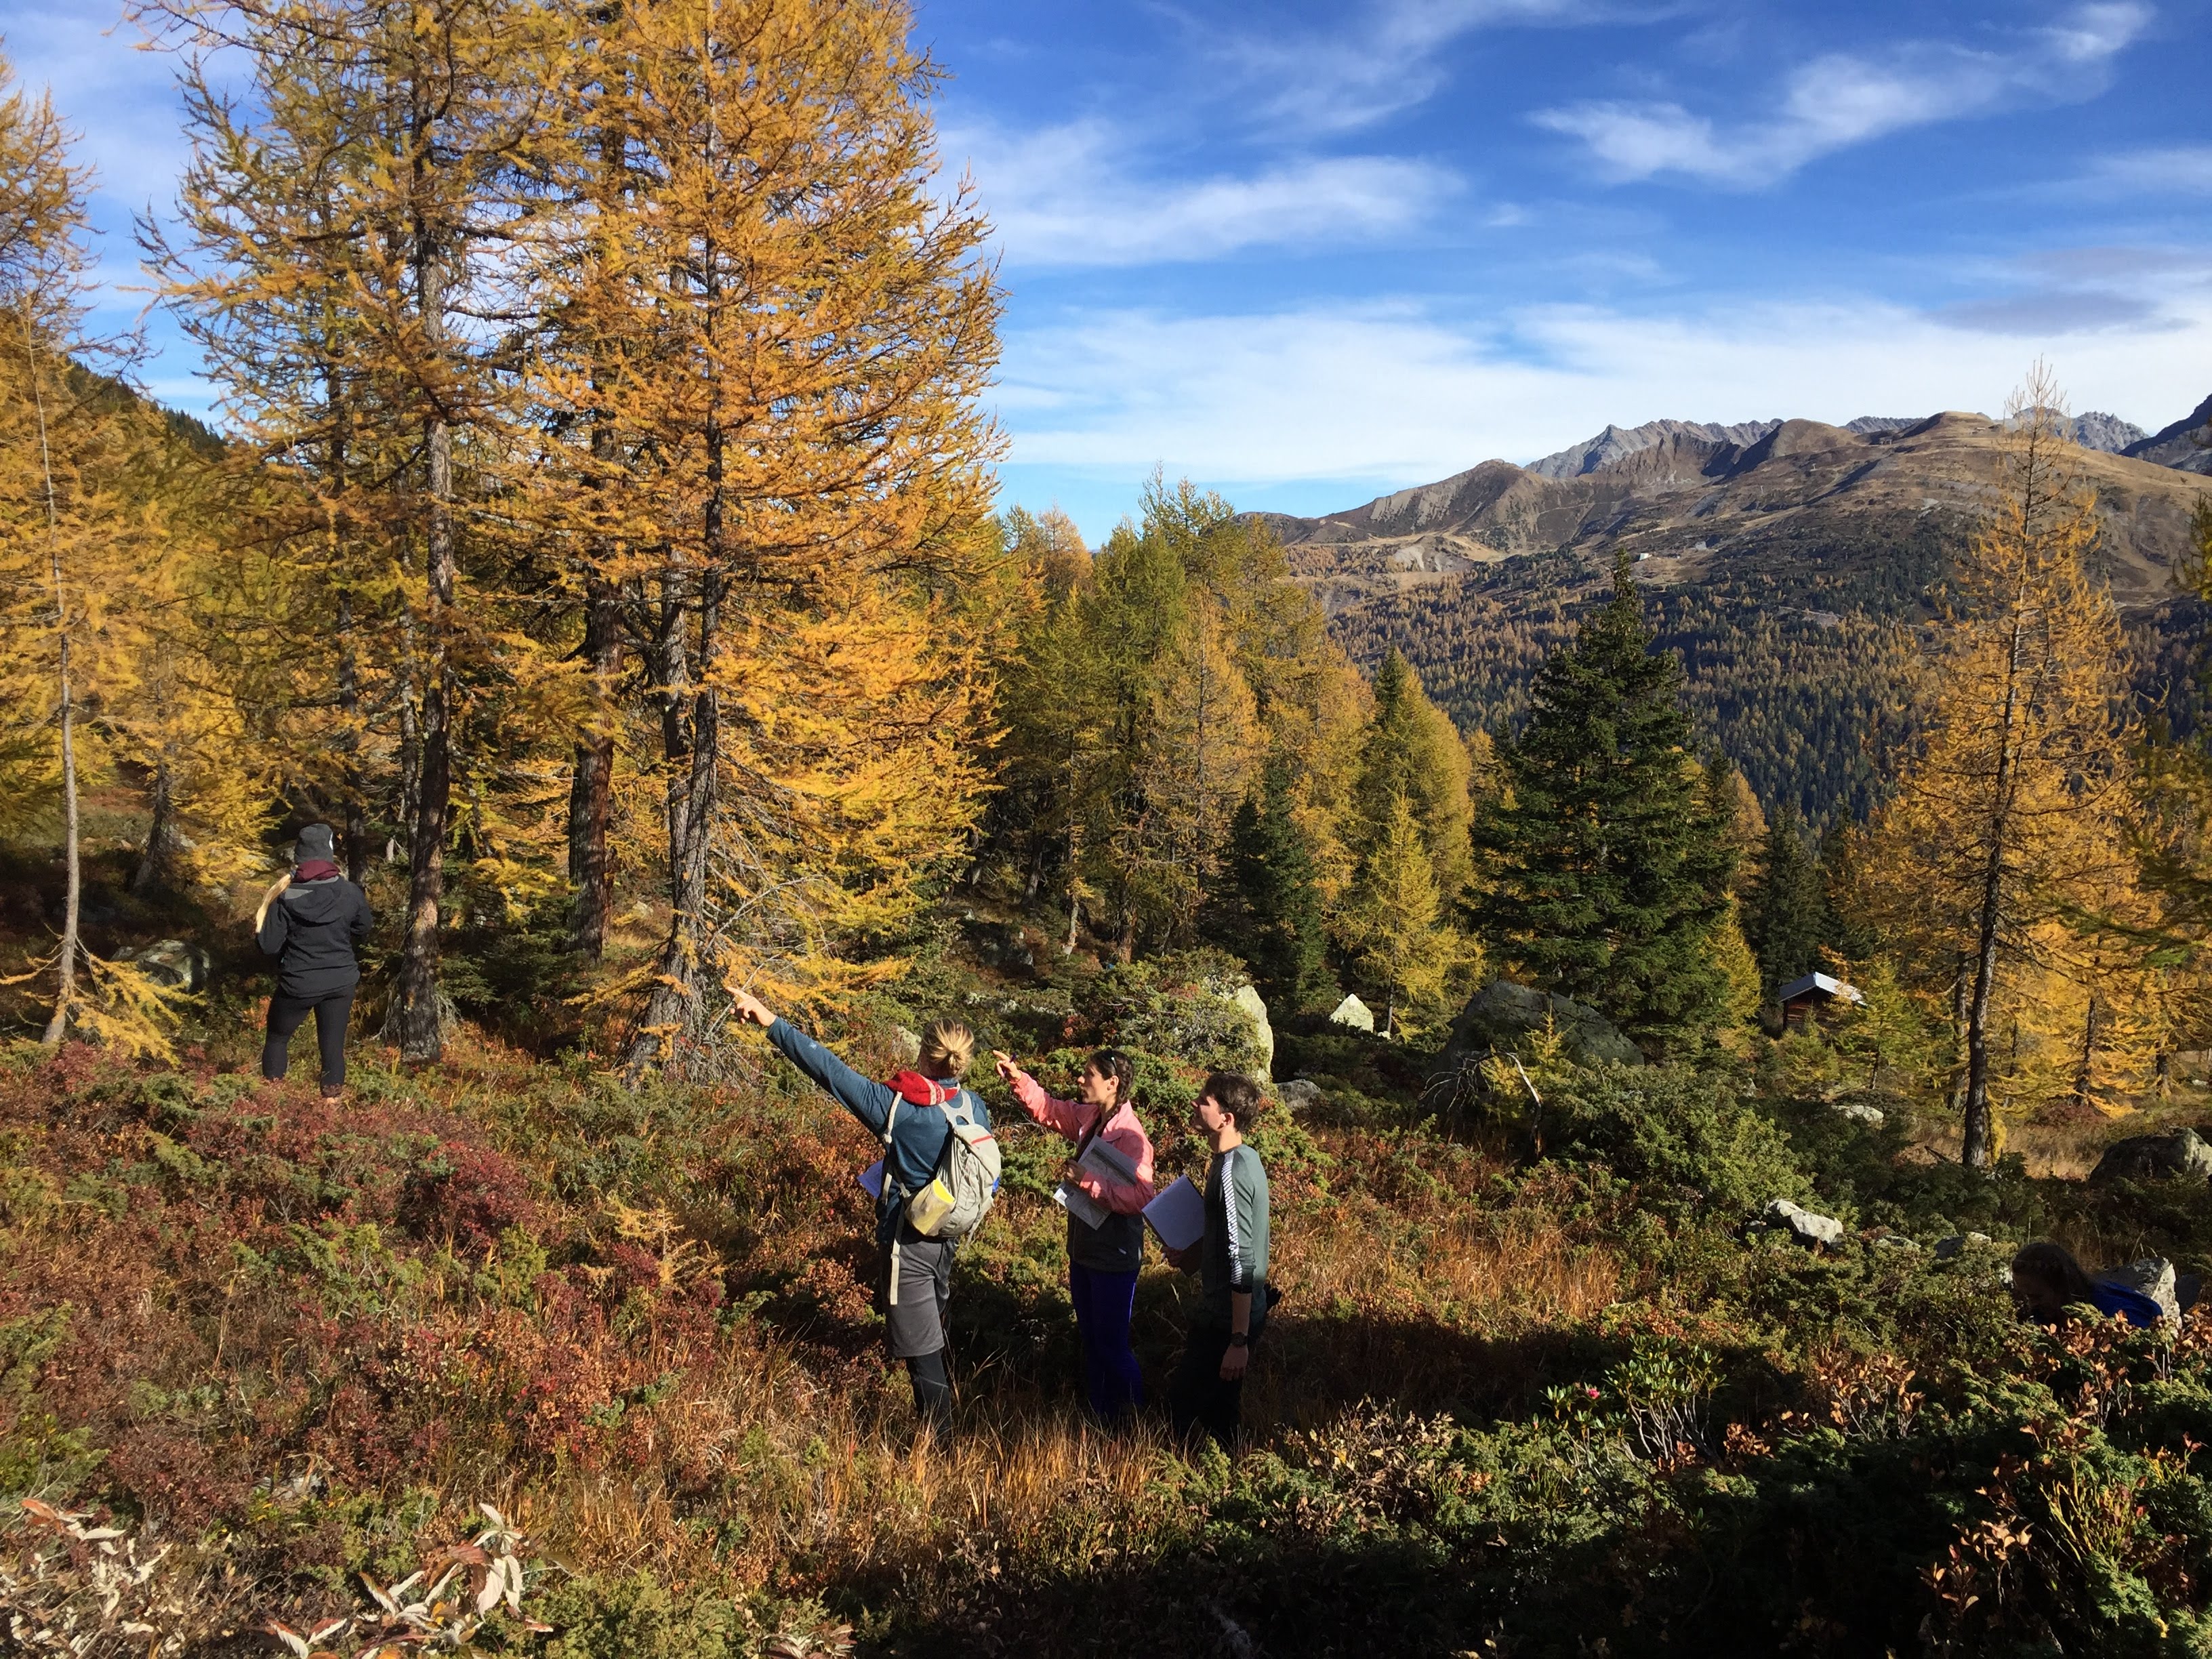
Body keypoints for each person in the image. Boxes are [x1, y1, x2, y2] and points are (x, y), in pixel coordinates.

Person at [733, 988, 987, 1427]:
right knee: (934, 1343)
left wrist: (769, 1020)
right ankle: (941, 1443)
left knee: (923, 1359)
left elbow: (829, 1071)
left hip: (907, 1247)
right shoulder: (973, 1106)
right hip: (947, 1240)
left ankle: (939, 1458)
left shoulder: (898, 1108)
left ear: (925, 1057)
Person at [994, 1046, 1156, 1422]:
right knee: (1092, 1343)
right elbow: (1050, 1109)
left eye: (1089, 1076)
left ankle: (1136, 1427)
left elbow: (1142, 1197)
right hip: (1083, 1251)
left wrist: (1089, 1182)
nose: (1080, 1081)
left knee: (1112, 1347)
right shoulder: (1091, 1116)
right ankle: (1102, 1418)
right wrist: (1019, 1080)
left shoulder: (1132, 1137)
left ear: (1112, 1083)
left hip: (1114, 1258)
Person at [1166, 1072, 1271, 1450]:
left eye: (1204, 1102)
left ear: (1226, 1118)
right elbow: (1228, 1238)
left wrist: (1238, 1341)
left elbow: (1243, 1259)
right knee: (1221, 1412)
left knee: (1183, 1408)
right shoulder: (1240, 1159)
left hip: (1227, 1321)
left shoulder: (1232, 1170)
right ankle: (1229, 1476)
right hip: (1231, 1315)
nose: (1195, 1105)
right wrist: (1193, 1257)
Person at [255, 823, 371, 1099]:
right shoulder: (351, 893)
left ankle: (270, 1103)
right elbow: (363, 929)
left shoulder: (287, 897)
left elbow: (268, 947)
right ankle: (330, 1110)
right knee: (332, 1047)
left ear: (299, 857)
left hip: (299, 983)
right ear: (329, 855)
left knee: (278, 1038)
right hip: (341, 981)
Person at [2009, 1241, 2166, 1330]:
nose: (2031, 1304)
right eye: (2027, 1296)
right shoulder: (2050, 1311)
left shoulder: (2114, 1314)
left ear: (2061, 1286)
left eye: (2036, 1296)